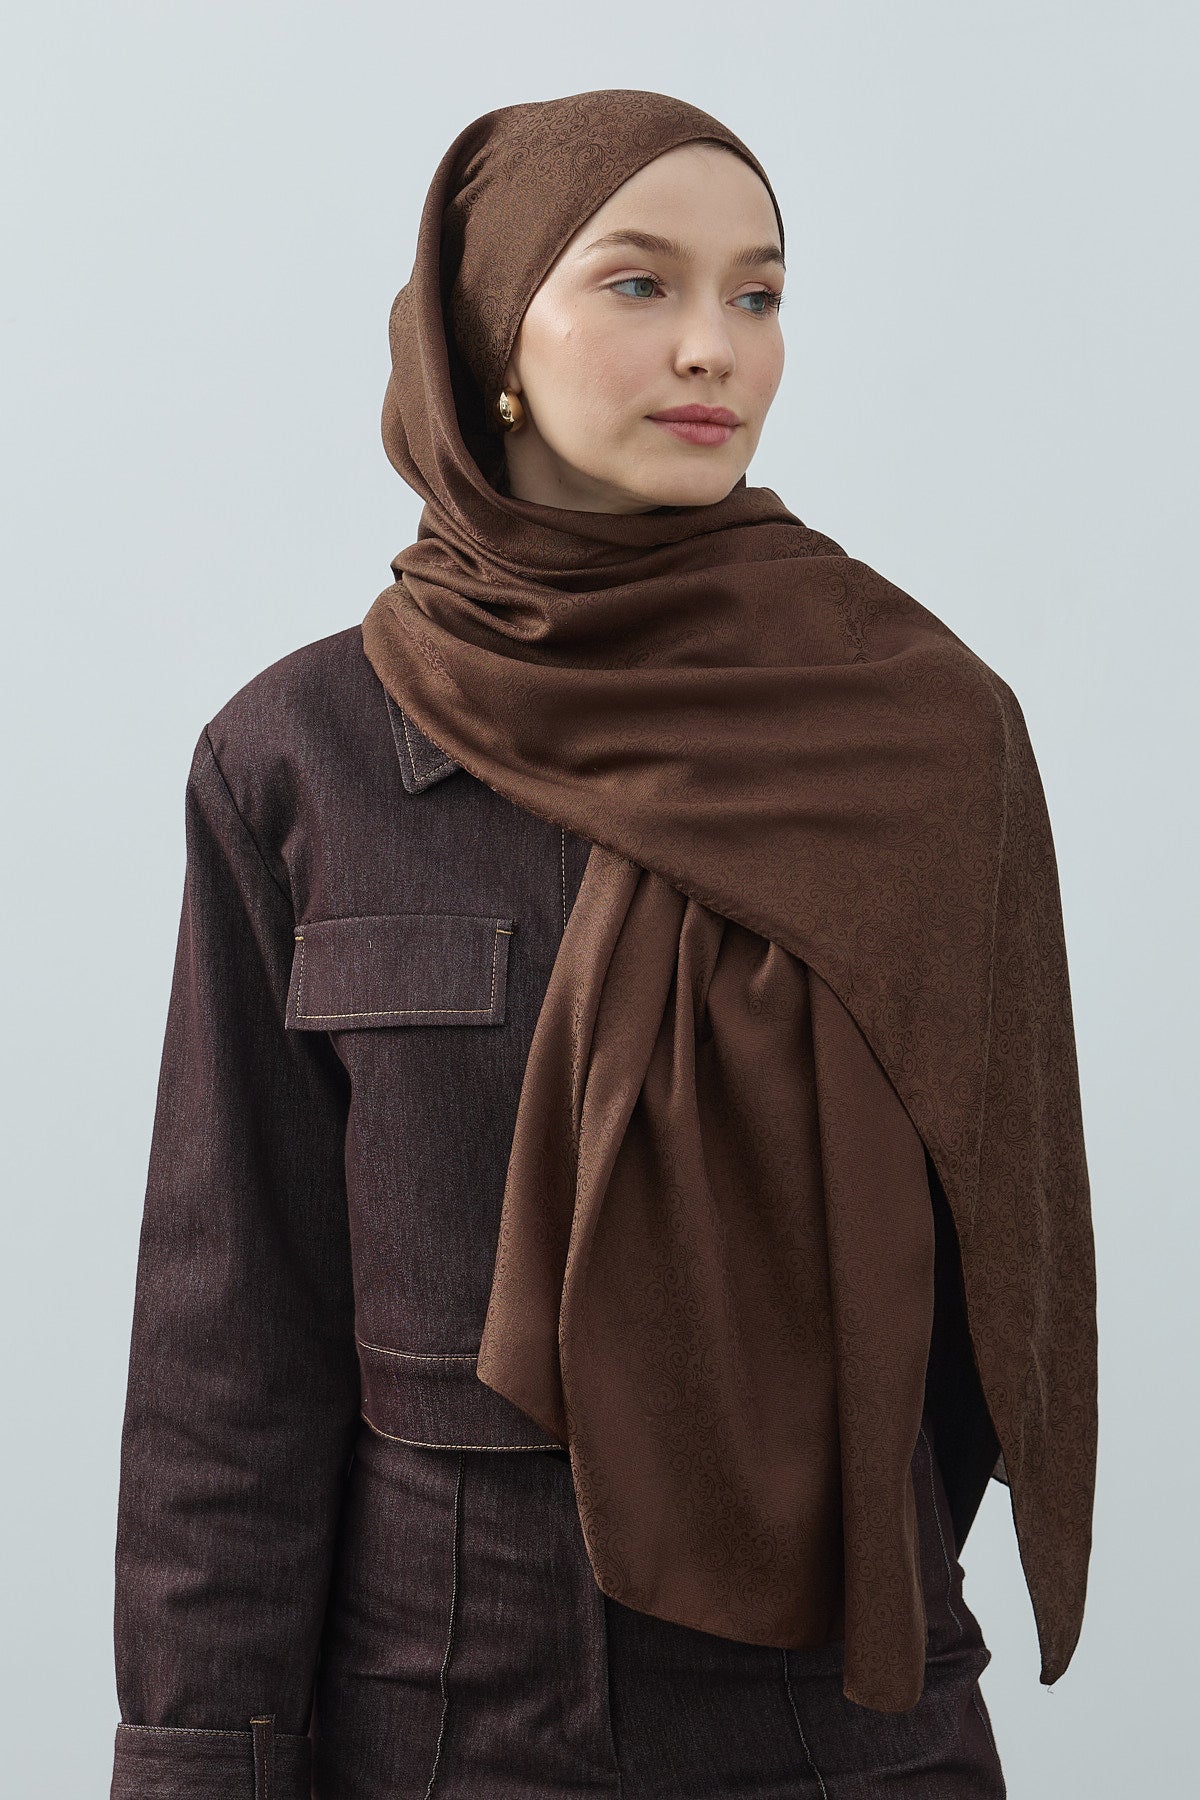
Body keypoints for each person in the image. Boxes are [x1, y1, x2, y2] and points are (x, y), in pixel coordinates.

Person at [109, 88, 1097, 1800]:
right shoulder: (303, 761)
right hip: (437, 1725)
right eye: (641, 283)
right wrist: (201, 1763)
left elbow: (1001, 1278)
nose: (716, 346)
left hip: (849, 1718)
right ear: (494, 331)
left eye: (758, 293)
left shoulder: (926, 740)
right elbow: (236, 1350)